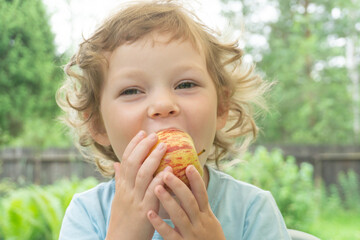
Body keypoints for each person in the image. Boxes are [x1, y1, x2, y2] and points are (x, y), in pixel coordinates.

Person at [57, 1, 291, 239]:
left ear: (221, 107)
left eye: (186, 84)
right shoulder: (87, 215)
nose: (163, 105)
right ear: (98, 123)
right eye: (131, 91)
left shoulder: (253, 212)